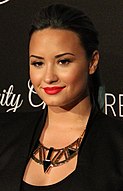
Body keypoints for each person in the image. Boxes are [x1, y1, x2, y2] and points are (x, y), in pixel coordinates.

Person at [0, 3, 123, 191]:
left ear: (92, 62)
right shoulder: (6, 132)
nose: (49, 77)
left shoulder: (117, 144)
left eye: (63, 61)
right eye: (38, 63)